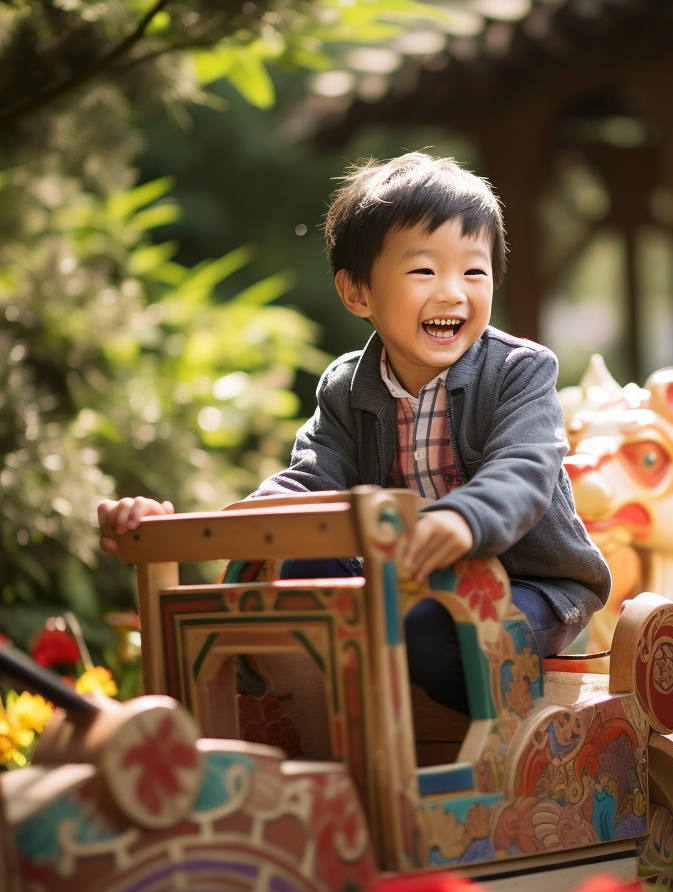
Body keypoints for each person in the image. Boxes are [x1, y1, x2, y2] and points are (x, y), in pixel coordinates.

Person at [98, 152, 611, 714]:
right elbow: (310, 482)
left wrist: (464, 518)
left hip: (527, 586)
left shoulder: (519, 371)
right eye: (424, 271)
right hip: (401, 588)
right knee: (299, 570)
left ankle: (406, 693)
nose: (452, 293)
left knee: (435, 639)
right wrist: (215, 527)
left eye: (474, 271)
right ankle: (309, 712)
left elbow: (524, 471)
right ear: (357, 293)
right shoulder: (347, 387)